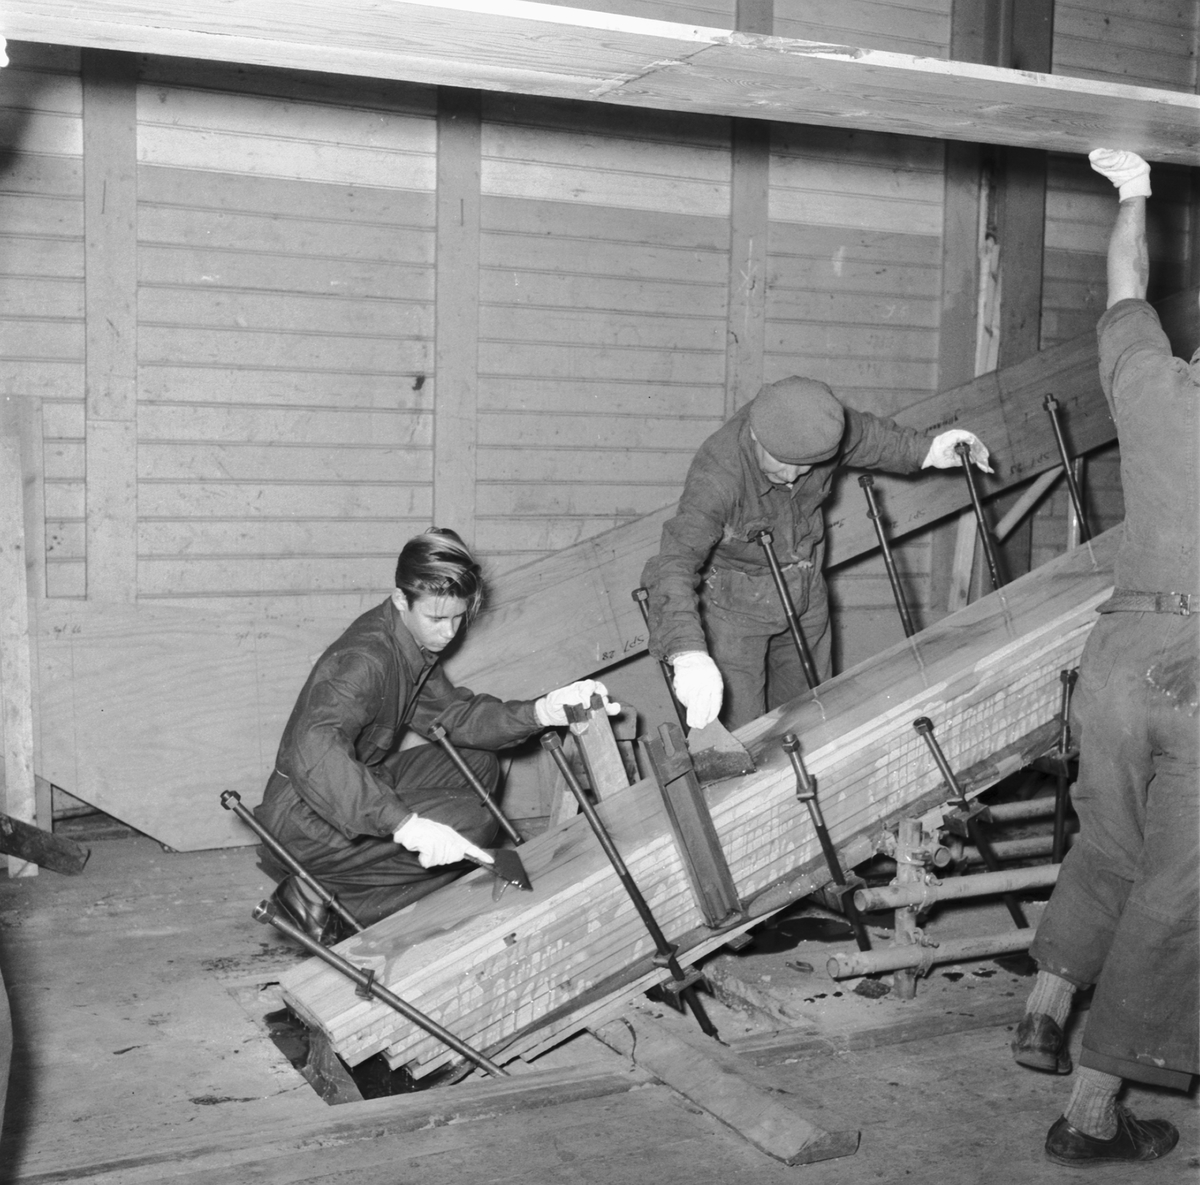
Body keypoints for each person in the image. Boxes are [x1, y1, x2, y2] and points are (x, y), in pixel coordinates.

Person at [1011, 149, 1198, 1167]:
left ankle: (1045, 1006)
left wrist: (1132, 188)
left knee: (1109, 839)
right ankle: (1092, 1114)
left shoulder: (1156, 387)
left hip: (1119, 653)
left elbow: (1127, 282)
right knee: (1178, 890)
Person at [256, 527, 618, 939]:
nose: (449, 632)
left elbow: (456, 717)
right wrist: (402, 824)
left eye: (458, 617)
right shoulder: (366, 660)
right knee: (474, 823)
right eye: (437, 618)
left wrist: (541, 711)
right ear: (400, 599)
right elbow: (314, 747)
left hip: (354, 781)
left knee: (477, 763)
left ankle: (355, 877)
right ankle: (328, 904)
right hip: (305, 816)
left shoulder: (407, 641)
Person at [641, 375, 992, 729]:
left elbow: (871, 437)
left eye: (806, 464)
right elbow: (673, 564)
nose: (792, 476)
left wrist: (928, 451)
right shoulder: (718, 477)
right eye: (781, 461)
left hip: (805, 587)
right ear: (755, 435)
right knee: (740, 732)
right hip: (735, 607)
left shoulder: (821, 430)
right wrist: (688, 652)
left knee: (811, 717)